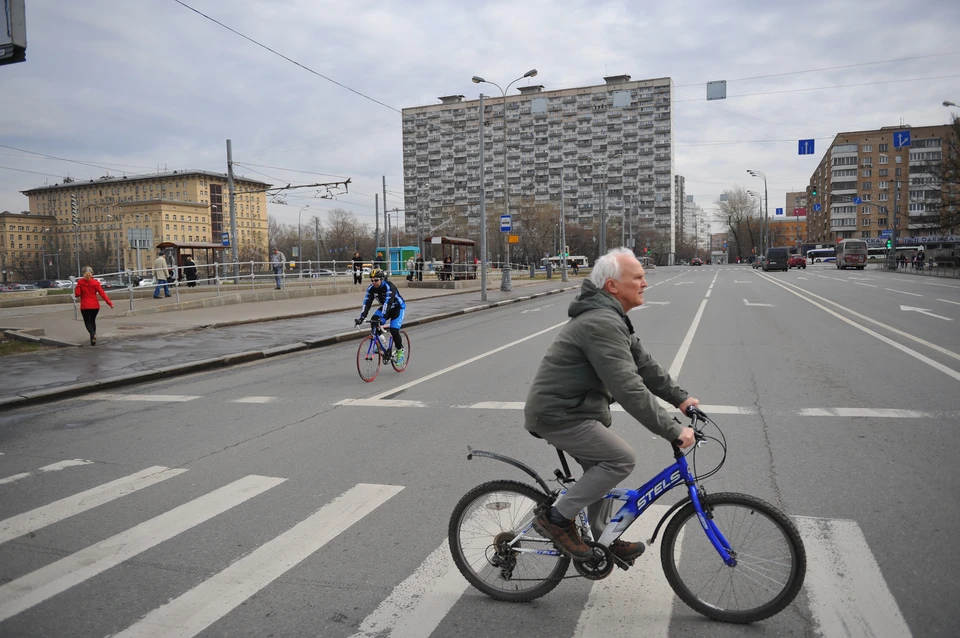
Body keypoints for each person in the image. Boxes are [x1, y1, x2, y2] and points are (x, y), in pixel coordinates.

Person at [524, 247, 698, 562]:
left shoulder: (610, 318)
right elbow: (628, 387)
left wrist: (682, 399)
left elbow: (644, 365)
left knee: (601, 470)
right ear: (613, 286)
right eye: (638, 277)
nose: (645, 283)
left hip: (577, 411)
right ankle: (555, 520)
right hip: (559, 415)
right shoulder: (600, 322)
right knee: (620, 459)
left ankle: (603, 537)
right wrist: (673, 430)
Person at [354, 269, 406, 361]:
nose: (374, 282)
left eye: (376, 280)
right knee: (374, 320)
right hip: (386, 308)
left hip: (397, 308)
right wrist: (362, 317)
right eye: (372, 280)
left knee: (394, 330)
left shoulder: (389, 287)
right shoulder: (371, 288)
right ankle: (381, 341)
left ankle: (400, 350)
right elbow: (367, 303)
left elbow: (388, 302)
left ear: (382, 279)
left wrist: (383, 318)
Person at [74, 266, 114, 345]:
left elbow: (77, 294)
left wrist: (78, 288)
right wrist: (110, 303)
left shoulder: (80, 282)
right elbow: (102, 294)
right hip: (95, 306)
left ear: (83, 273)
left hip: (85, 306)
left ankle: (93, 334)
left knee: (87, 322)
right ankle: (92, 339)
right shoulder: (95, 283)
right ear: (92, 273)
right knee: (92, 321)